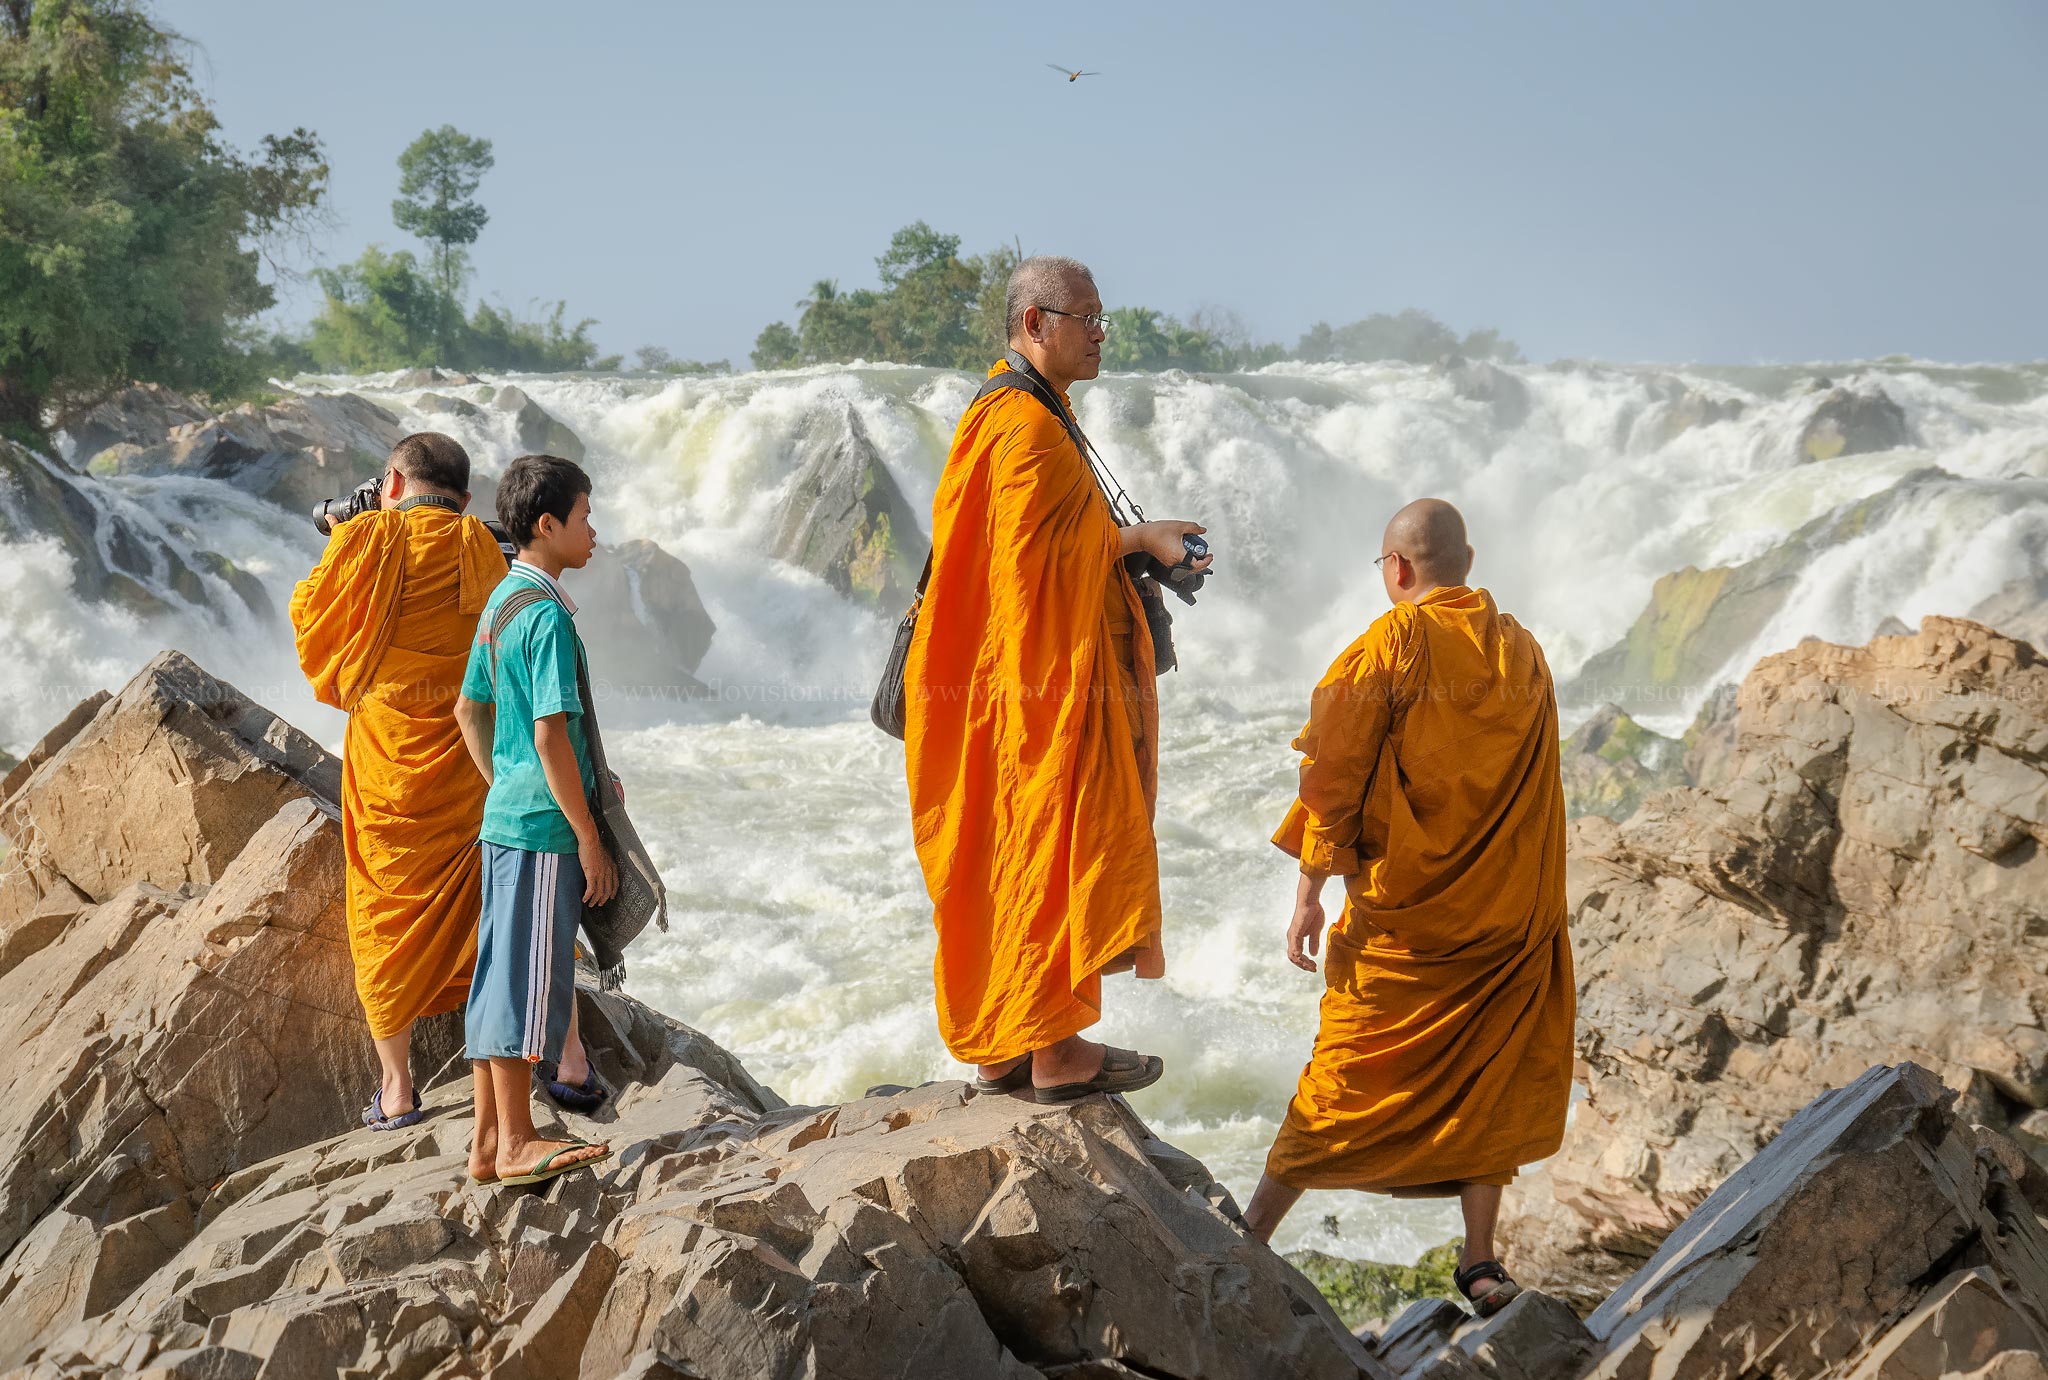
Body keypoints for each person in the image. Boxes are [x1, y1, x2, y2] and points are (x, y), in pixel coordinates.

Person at [1240, 499, 1574, 1319]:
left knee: (1344, 1072)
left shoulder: (1391, 643)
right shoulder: (1523, 650)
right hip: (1503, 917)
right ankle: (1480, 1262)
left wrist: (1311, 890)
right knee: (1487, 1068)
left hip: (1409, 923)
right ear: (1466, 560)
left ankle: (1248, 1236)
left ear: (1396, 570)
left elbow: (1335, 773)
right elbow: (1539, 793)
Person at [903, 255, 1213, 1103]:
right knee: (1040, 845)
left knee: (1005, 852)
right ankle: (1056, 1051)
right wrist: (1139, 542)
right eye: (1087, 317)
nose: (1101, 334)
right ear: (1034, 323)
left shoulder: (1022, 410)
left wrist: (1135, 541)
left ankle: (1004, 1048)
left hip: (999, 682)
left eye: (1103, 317)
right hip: (1030, 689)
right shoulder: (1026, 427)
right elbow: (1030, 568)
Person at [291, 432, 509, 1131]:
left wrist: (340, 530)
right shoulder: (482, 544)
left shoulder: (368, 540)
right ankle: (507, 1065)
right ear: (465, 497)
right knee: (484, 898)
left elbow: (311, 621)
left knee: (382, 905)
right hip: (467, 748)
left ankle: (397, 1088)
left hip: (388, 752)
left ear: (391, 483)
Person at [452, 453, 616, 1185]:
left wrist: (505, 783)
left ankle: (488, 1146)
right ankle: (518, 1143)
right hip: (543, 833)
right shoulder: (545, 615)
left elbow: (469, 709)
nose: (594, 532)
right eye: (585, 517)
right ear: (547, 525)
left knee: (498, 979)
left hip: (504, 822)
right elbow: (551, 733)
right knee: (528, 987)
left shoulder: (502, 603)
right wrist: (587, 836)